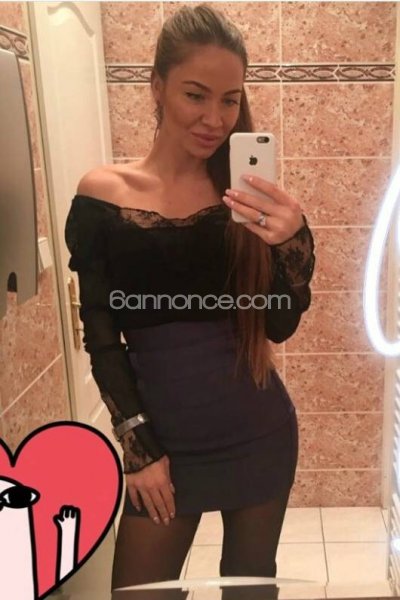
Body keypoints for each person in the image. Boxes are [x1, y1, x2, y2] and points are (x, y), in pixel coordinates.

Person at [64, 3, 315, 598]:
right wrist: (138, 450)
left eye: (229, 100)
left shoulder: (242, 197)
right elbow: (101, 337)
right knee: (138, 593)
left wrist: (293, 241)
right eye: (195, 95)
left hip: (258, 433)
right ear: (157, 86)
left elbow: (278, 327)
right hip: (163, 443)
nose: (215, 119)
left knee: (249, 591)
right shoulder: (103, 197)